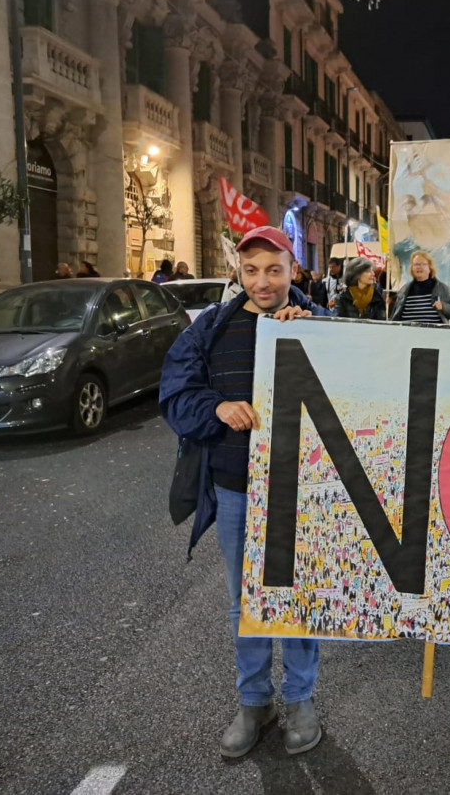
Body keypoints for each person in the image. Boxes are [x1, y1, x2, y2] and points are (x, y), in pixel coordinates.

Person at [159, 226, 330, 760]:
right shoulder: (211, 327)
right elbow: (176, 393)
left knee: (300, 595)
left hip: (304, 489)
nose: (263, 281)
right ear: (238, 271)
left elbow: (361, 393)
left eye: (274, 269)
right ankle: (253, 702)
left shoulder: (322, 325)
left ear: (292, 270)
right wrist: (215, 407)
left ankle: (300, 700)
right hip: (234, 489)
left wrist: (321, 334)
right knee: (245, 602)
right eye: (251, 269)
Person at [390, 251, 450, 325]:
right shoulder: (404, 290)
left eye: (423, 264)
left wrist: (444, 307)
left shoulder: (442, 289)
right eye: (416, 264)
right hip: (407, 335)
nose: (419, 267)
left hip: (435, 335)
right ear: (412, 268)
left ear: (430, 268)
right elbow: (395, 315)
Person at [334, 256, 387, 320]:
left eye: (373, 271)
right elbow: (338, 324)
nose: (373, 274)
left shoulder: (377, 298)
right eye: (368, 271)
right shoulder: (342, 298)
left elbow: (381, 324)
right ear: (357, 274)